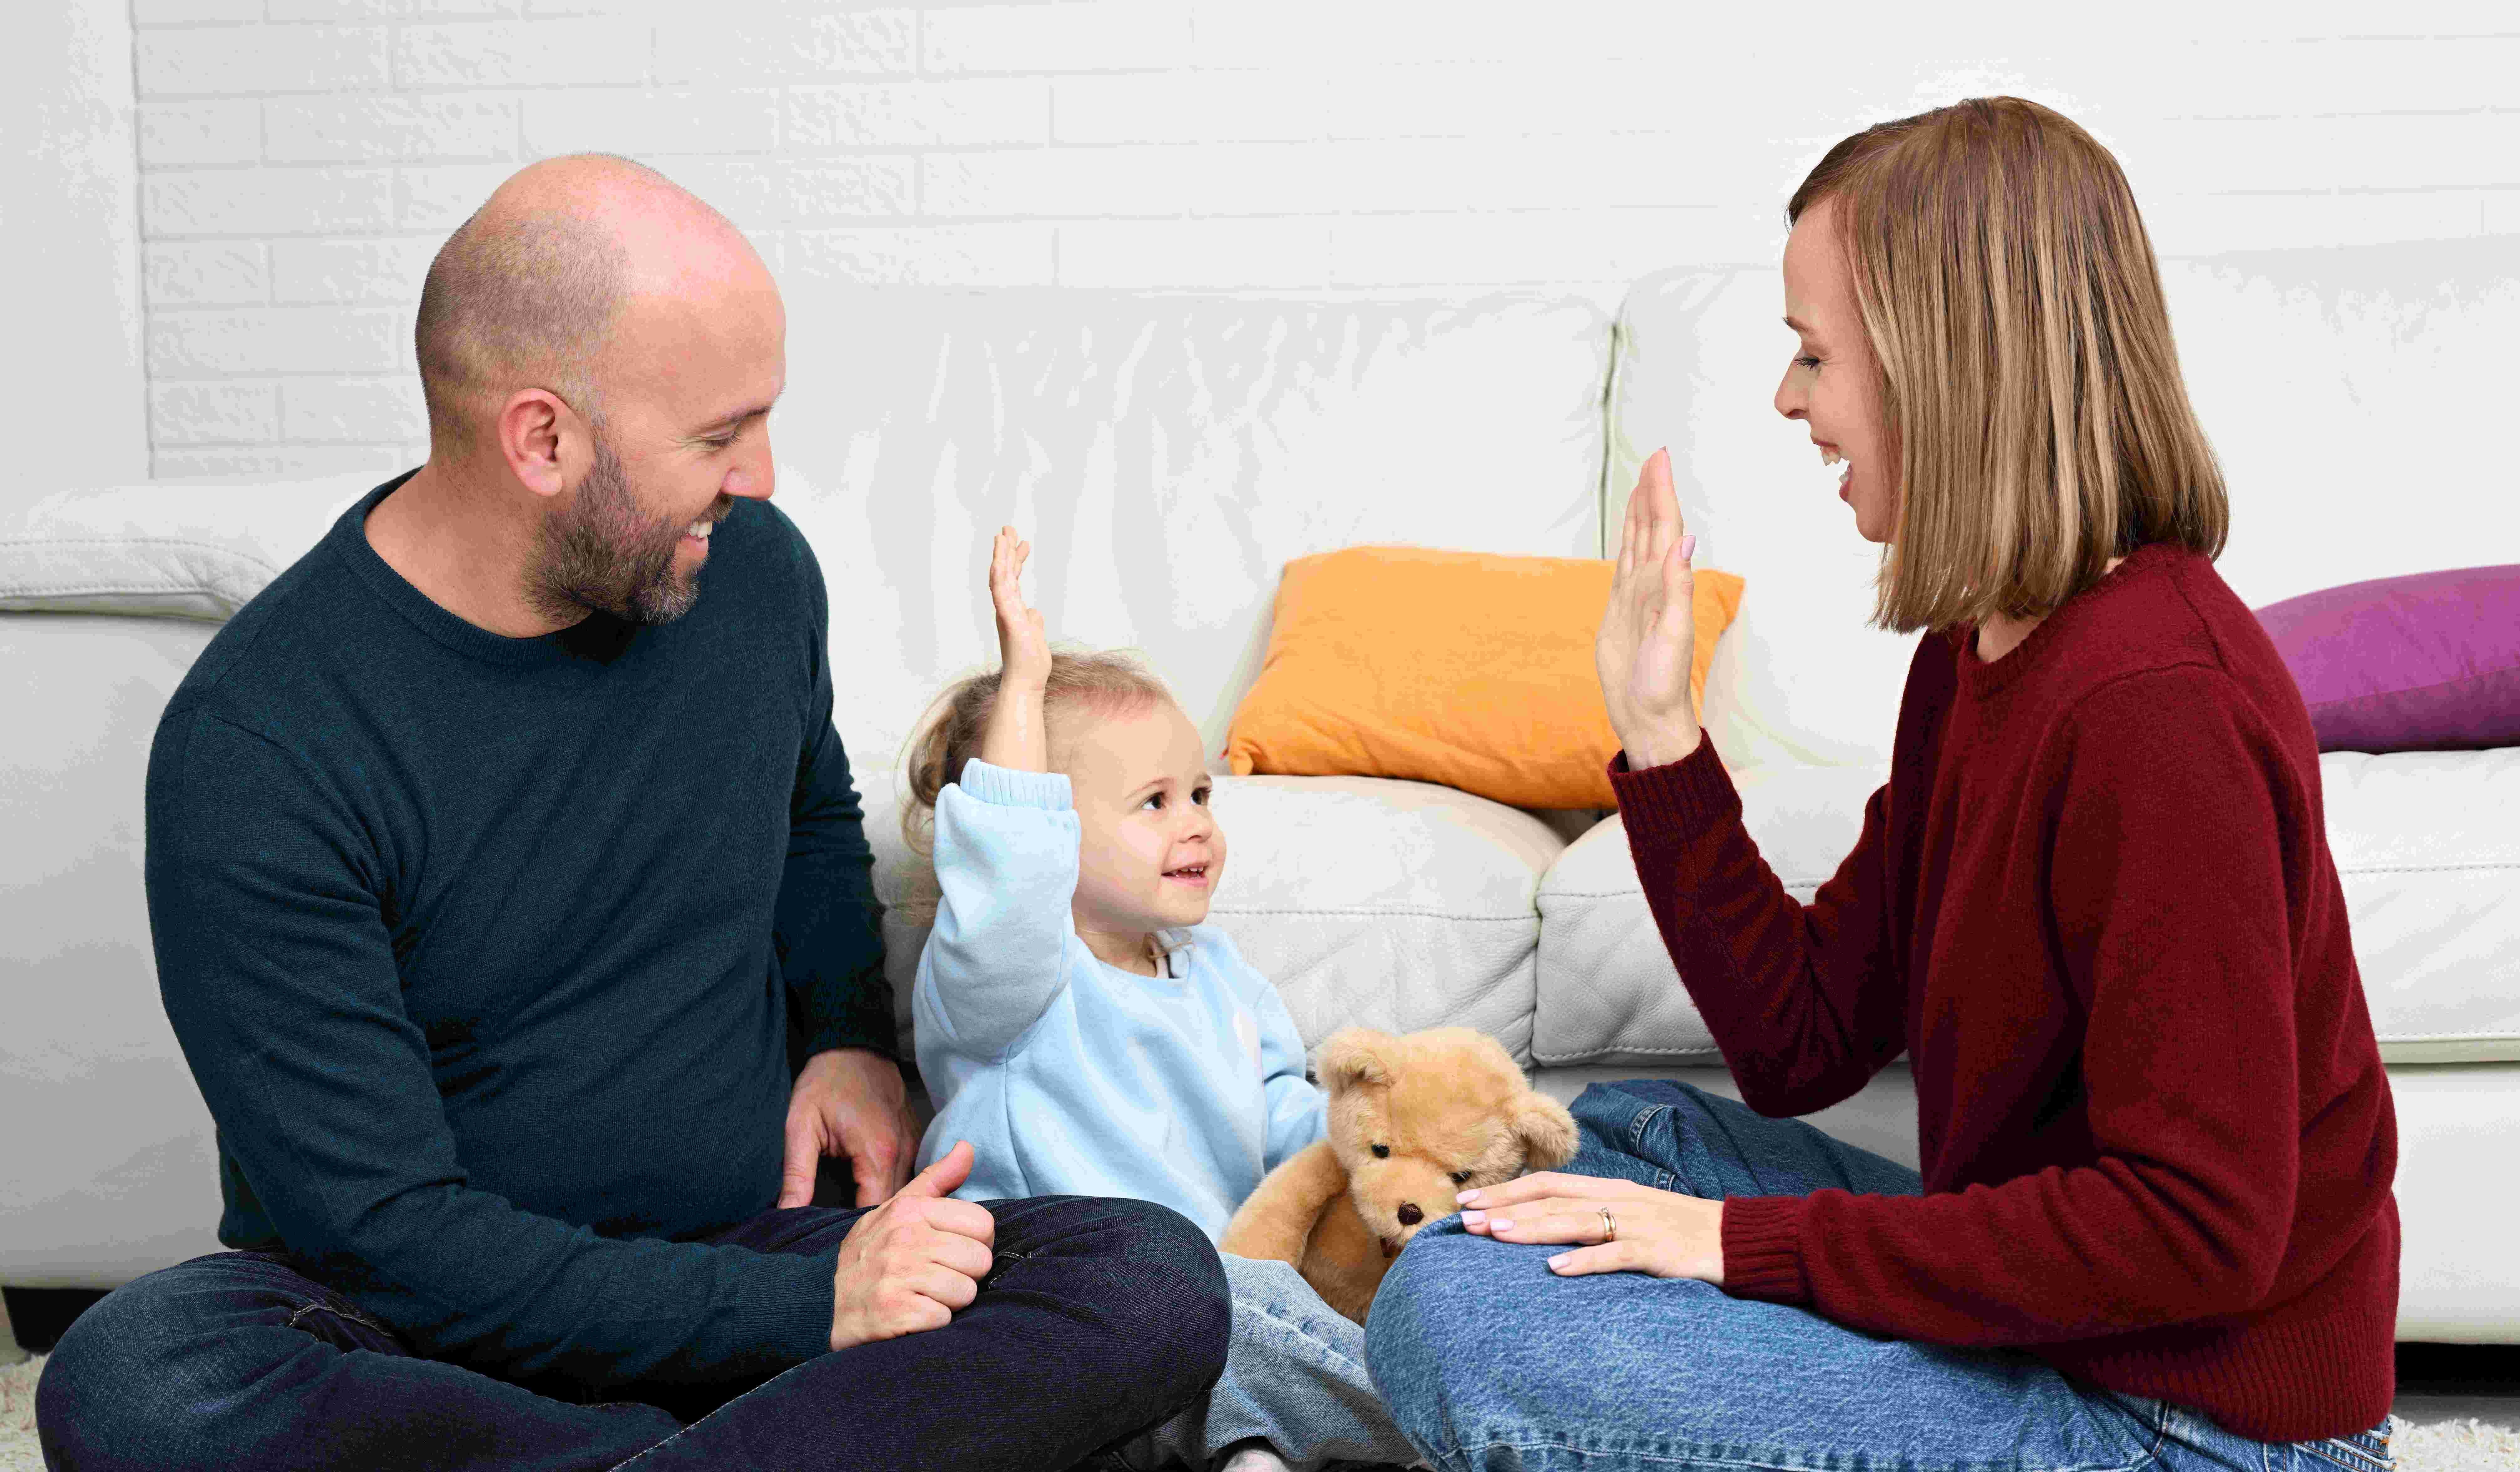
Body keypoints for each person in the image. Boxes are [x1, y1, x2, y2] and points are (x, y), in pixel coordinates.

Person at [36, 154, 1227, 1472]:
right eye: (719, 437)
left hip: (749, 1243)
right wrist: (805, 1317)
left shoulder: (753, 578)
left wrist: (848, 1037)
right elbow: (384, 1233)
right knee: (139, 1378)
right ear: (542, 440)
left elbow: (810, 815)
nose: (760, 475)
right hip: (419, 1318)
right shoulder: (261, 742)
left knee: (1150, 1274)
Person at [1364, 97, 2401, 1471]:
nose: (1788, 399)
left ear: (1943, 362)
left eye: (1813, 353)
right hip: (2055, 1342)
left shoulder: (2161, 710)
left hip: (2187, 1428)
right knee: (1609, 1138)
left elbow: (2199, 1230)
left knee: (1466, 1313)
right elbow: (1801, 1045)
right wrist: (1660, 732)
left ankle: (1304, 1378)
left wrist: (1740, 1247)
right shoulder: (1976, 656)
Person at [894, 527, 1426, 1472]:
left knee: (1273, 1313)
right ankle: (1447, 1421)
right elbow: (1010, 882)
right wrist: (1024, 690)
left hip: (1210, 1305)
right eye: (1154, 802)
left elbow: (1284, 1121)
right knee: (1239, 1321)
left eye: (1202, 795)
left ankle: (1258, 1446)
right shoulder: (1009, 985)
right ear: (1050, 831)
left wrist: (1382, 1145)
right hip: (1057, 1295)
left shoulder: (1217, 971)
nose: (1197, 827)